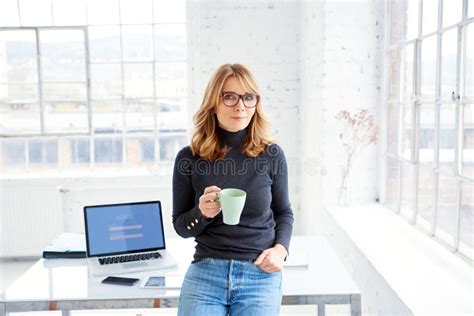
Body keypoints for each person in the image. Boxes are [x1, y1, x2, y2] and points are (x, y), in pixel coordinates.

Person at [172, 63, 294, 315]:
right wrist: (201, 213)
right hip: (206, 272)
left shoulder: (271, 154)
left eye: (248, 97)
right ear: (213, 102)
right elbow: (181, 227)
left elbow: (284, 212)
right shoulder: (189, 158)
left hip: (259, 273)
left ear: (256, 104)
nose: (240, 105)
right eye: (230, 96)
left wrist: (281, 250)